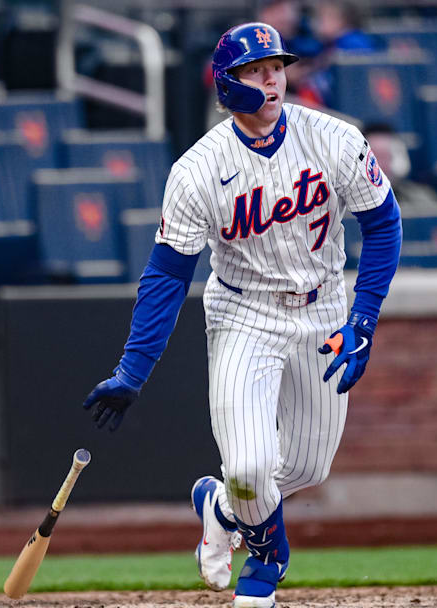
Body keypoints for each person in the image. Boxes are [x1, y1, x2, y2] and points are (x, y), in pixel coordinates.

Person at [82, 23, 401, 608]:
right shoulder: (198, 169)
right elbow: (167, 275)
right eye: (255, 70)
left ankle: (220, 507)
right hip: (244, 312)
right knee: (251, 465)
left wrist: (363, 320)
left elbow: (384, 224)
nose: (271, 78)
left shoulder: (332, 137)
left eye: (275, 66)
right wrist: (133, 369)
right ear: (228, 84)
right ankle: (268, 562)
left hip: (325, 307)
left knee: (305, 469)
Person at [364, 123, 437, 215]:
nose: (381, 164)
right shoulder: (346, 206)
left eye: (387, 156)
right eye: (374, 157)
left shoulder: (422, 199)